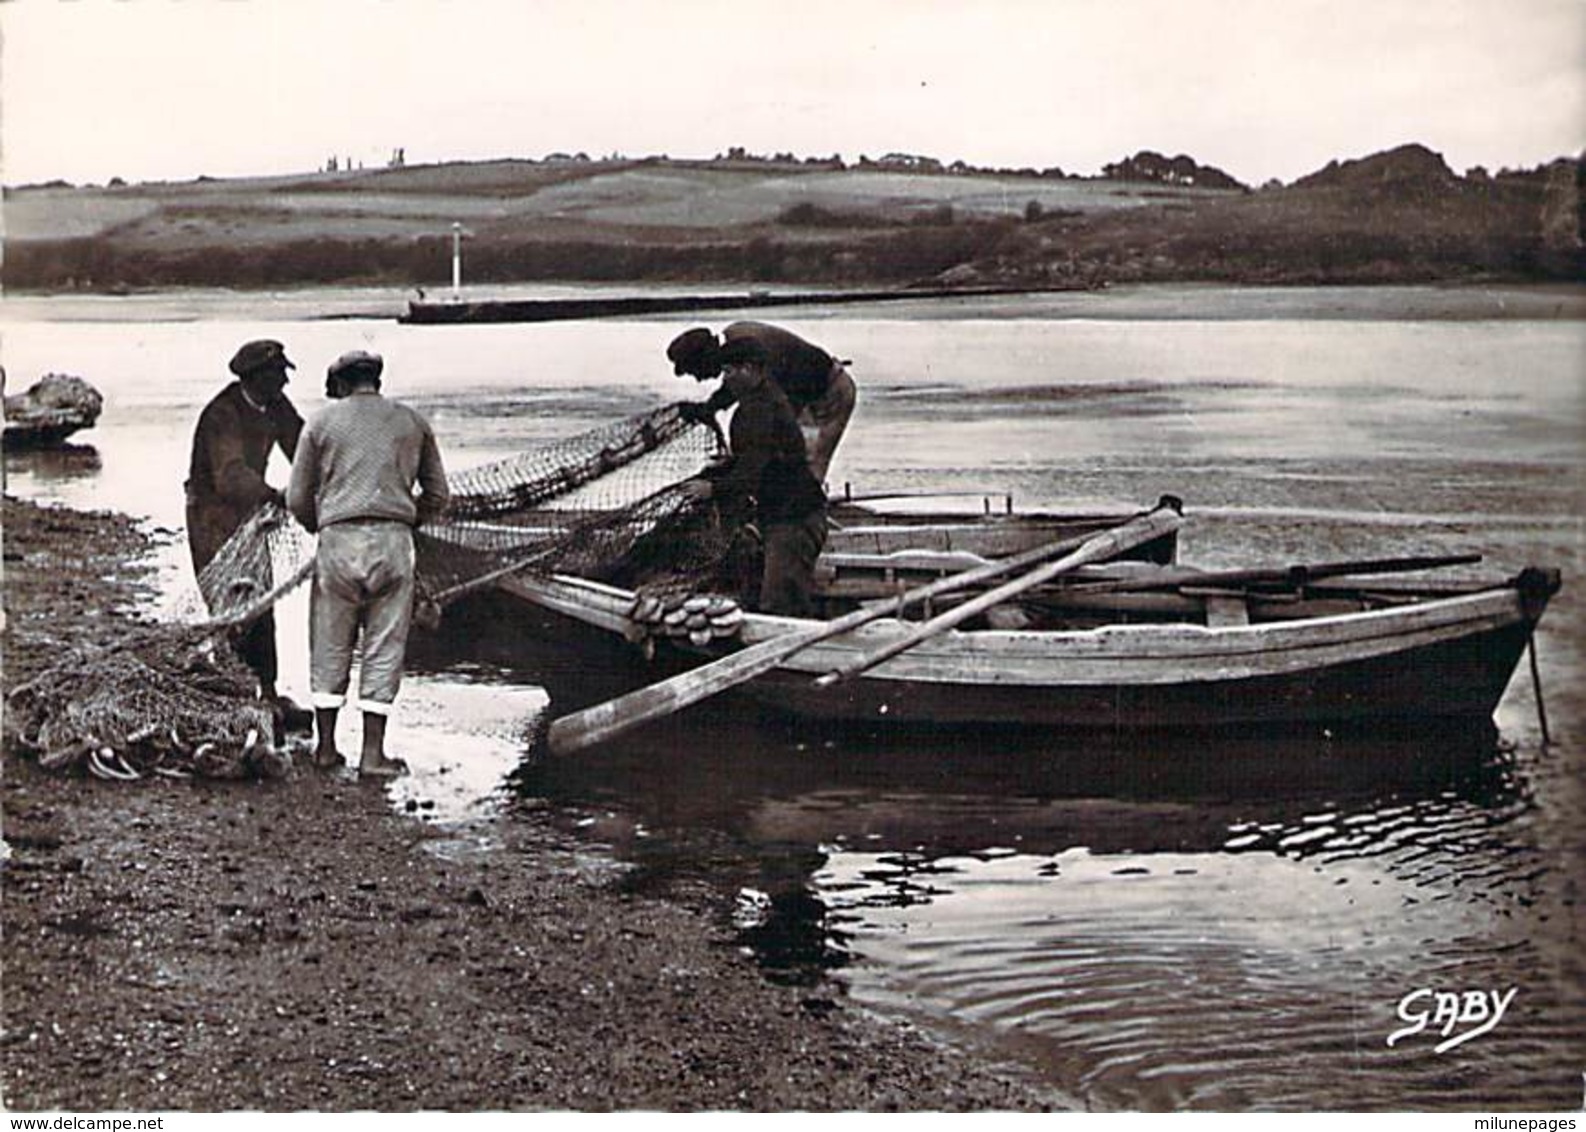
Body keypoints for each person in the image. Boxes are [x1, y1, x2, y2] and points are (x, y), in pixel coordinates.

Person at [286, 350, 450, 778]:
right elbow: (438, 494)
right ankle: (373, 755)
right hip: (393, 542)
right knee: (384, 646)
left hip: (338, 541)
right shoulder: (412, 422)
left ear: (340, 384)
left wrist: (316, 524)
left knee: (329, 642)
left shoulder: (320, 424)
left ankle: (325, 748)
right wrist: (407, 521)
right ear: (376, 379)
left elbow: (296, 498)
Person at [185, 338, 305, 715]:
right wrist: (276, 495)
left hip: (251, 515)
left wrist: (326, 482)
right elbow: (230, 476)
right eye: (277, 374)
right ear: (256, 377)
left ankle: (267, 693)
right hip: (212, 517)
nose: (285, 383)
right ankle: (238, 695)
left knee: (262, 600)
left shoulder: (275, 406)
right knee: (232, 606)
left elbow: (305, 449)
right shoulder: (223, 413)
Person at [680, 337, 827, 618]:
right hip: (784, 516)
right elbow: (759, 460)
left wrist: (712, 488)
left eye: (730, 371)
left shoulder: (761, 409)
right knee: (769, 594)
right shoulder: (760, 399)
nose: (726, 378)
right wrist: (728, 466)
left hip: (795, 522)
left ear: (750, 369)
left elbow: (751, 475)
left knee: (779, 605)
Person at [667, 321, 857, 484]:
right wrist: (711, 407)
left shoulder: (752, 352)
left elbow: (770, 410)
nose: (700, 379)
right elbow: (734, 391)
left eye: (696, 371)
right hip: (803, 392)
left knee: (808, 465)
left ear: (705, 358)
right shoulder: (736, 344)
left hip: (831, 391)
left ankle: (810, 518)